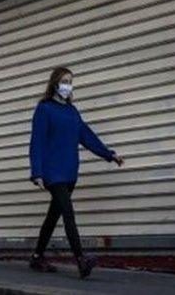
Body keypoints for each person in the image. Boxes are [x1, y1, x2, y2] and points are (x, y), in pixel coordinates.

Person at [28, 67, 124, 279]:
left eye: (70, 82)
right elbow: (37, 142)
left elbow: (87, 136)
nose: (67, 86)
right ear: (54, 83)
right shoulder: (44, 109)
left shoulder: (72, 111)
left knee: (53, 216)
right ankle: (81, 259)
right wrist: (37, 172)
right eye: (64, 81)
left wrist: (109, 155)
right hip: (53, 172)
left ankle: (37, 257)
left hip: (70, 171)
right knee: (68, 214)